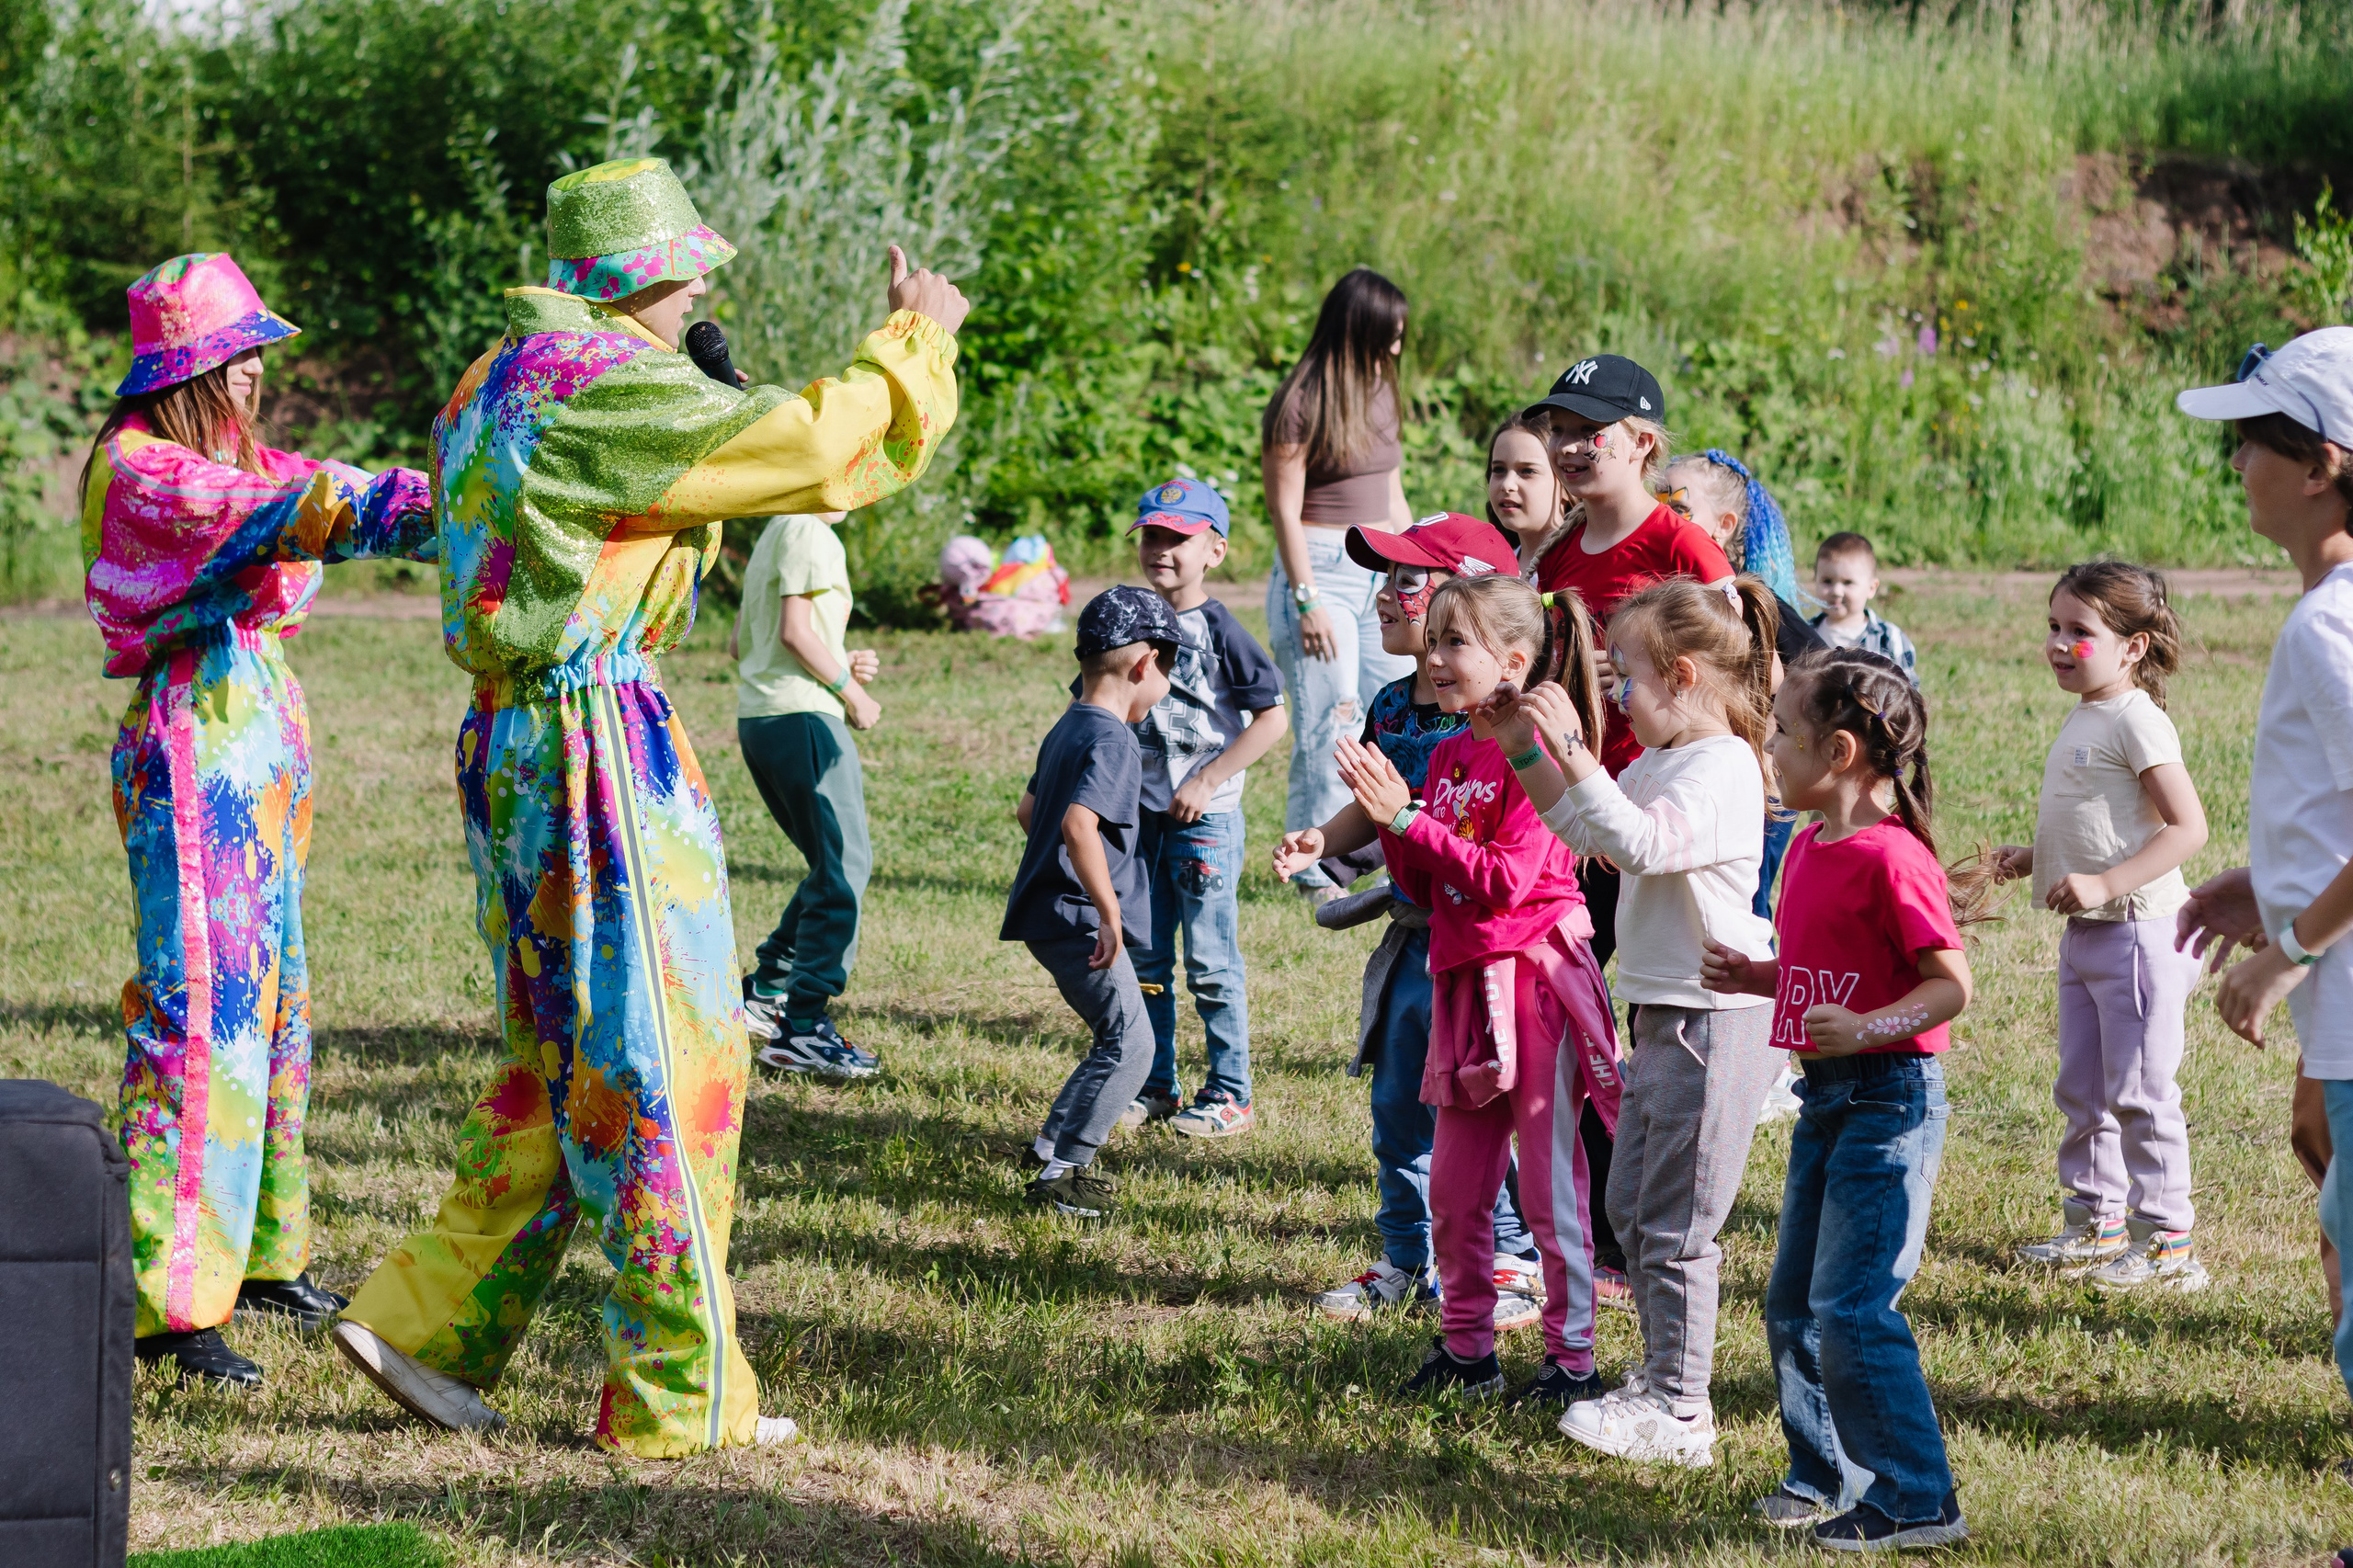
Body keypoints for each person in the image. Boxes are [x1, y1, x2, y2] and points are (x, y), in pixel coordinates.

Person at [334, 157, 968, 1458]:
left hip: (515, 742)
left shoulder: (496, 378)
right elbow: (805, 452)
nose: (700, 296)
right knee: (668, 1058)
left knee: (557, 1054)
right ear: (652, 278)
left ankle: (426, 1319)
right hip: (597, 735)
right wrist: (916, 342)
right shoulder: (607, 382)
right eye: (691, 273)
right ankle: (679, 1395)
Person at [80, 253, 438, 1390]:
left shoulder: (219, 448)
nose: (257, 381)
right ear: (189, 372)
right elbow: (303, 506)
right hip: (195, 742)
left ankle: (265, 1255)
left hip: (258, 737)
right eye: (240, 361)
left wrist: (463, 490)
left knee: (274, 1008)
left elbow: (322, 474)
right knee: (201, 1018)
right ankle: (162, 1303)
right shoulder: (145, 471)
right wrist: (435, 502)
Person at [1292, 574, 1621, 1408]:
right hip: (1464, 981)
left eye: (1454, 643)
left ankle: (1570, 1364)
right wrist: (1390, 817)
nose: (1434, 658)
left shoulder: (1531, 753)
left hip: (1533, 983)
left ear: (1514, 659)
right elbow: (1422, 874)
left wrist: (1407, 820)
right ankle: (1468, 1353)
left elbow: (1510, 880)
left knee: (1550, 1193)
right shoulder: (1444, 753)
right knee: (1457, 1190)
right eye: (1431, 640)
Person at [1700, 648, 1979, 1551]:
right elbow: (1833, 967)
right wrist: (1760, 974)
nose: (1767, 745)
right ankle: (1820, 1470)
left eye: (1781, 730)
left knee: (1853, 1305)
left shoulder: (1890, 859)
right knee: (1792, 1302)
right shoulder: (1815, 845)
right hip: (1826, 1099)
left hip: (1886, 1101)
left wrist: (1862, 1030)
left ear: (1841, 752)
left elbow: (1948, 987)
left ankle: (1915, 1496)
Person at [1503, 575, 1782, 1468]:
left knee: (1675, 1224)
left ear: (1684, 673)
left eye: (1626, 675)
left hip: (1716, 1020)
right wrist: (1527, 752)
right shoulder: (1659, 760)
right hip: (1663, 1015)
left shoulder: (1722, 766)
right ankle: (1660, 1377)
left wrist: (1580, 754)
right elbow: (1590, 834)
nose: (1618, 693)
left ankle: (1682, 1407)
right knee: (1630, 1204)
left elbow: (1644, 844)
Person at [2169, 332, 2353, 1568]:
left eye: (2254, 437)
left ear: (2324, 461)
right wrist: (2269, 876)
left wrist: (2287, 939)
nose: (2236, 460)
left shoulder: (2329, 627)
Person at [1283, 515, 1547, 1333]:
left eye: (1410, 581)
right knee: (1398, 1105)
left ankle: (1509, 1258)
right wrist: (1325, 838)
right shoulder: (1397, 704)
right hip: (1413, 939)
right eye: (1389, 582)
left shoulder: (1511, 727)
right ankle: (1406, 1256)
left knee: (1478, 1105)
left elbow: (1504, 854)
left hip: (1485, 949)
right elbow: (1378, 809)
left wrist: (1399, 818)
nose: (1390, 597)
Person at [1991, 563, 2211, 1290]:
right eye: (2053, 627)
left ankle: (2167, 1238)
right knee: (2084, 1087)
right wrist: (2034, 858)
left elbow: (2188, 828)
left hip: (2140, 935)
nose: (2059, 644)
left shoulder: (2137, 719)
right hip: (2088, 934)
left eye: (2079, 632)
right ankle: (2096, 1219)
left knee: (2142, 1091)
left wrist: (2107, 884)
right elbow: (2097, 821)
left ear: (2134, 646)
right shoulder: (2088, 710)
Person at [1662, 451, 1829, 1124]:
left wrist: (1774, 746)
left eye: (1678, 508)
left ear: (1724, 524)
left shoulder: (1745, 600)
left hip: (1757, 792)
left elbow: (1818, 671)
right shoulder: (1668, 596)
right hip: (1692, 788)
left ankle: (1771, 1066)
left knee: (1751, 918)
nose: (1662, 520)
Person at [1120, 479, 1288, 1138]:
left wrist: (1209, 779)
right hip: (1142, 823)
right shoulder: (1126, 619)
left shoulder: (1220, 630)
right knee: (1147, 959)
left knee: (1212, 965)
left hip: (1205, 822)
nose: (1161, 549)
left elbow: (1272, 719)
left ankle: (1230, 1093)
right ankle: (1156, 1084)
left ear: (1215, 550)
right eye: (1151, 537)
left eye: (1177, 539)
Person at [1007, 587, 1178, 1216]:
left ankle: (1050, 1143)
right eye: (1167, 672)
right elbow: (1079, 825)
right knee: (1133, 1046)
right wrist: (1107, 911)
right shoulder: (1115, 740)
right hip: (1081, 919)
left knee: (1115, 1034)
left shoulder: (1071, 723)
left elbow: (1030, 811)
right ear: (1143, 666)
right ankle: (1064, 1173)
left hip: (1049, 913)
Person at [1261, 268, 1418, 903]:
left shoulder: (1381, 387)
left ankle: (1380, 849)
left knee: (1392, 708)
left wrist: (1416, 560)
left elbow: (1393, 488)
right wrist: (1306, 601)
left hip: (1380, 562)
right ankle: (1312, 869)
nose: (1400, 347)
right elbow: (1284, 510)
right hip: (1322, 566)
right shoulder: (1300, 401)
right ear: (1362, 330)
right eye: (1392, 334)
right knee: (1333, 719)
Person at [729, 508, 883, 1081]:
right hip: (804, 720)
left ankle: (765, 990)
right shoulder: (810, 530)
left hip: (764, 718)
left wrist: (837, 659)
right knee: (845, 868)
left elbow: (743, 641)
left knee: (829, 867)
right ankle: (801, 1029)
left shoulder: (773, 528)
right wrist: (850, 692)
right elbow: (795, 633)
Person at [1809, 532, 1918, 682]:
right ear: (1815, 580)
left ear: (1872, 588)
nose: (1836, 591)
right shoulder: (1806, 633)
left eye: (1848, 583)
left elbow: (1908, 690)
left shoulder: (1889, 639)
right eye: (1827, 581)